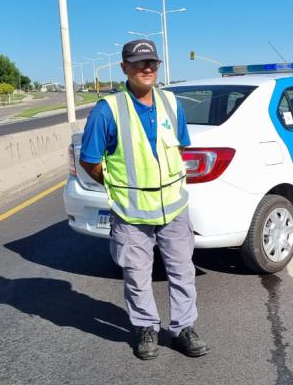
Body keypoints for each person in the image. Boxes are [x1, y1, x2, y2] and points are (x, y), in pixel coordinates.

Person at [79, 39, 209, 360]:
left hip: (174, 208)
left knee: (182, 271)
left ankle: (182, 328)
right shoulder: (106, 110)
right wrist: (117, 186)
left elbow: (180, 148)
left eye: (152, 62)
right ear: (125, 68)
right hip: (132, 212)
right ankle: (145, 327)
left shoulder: (171, 103)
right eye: (139, 63)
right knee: (137, 275)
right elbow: (90, 160)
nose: (147, 68)